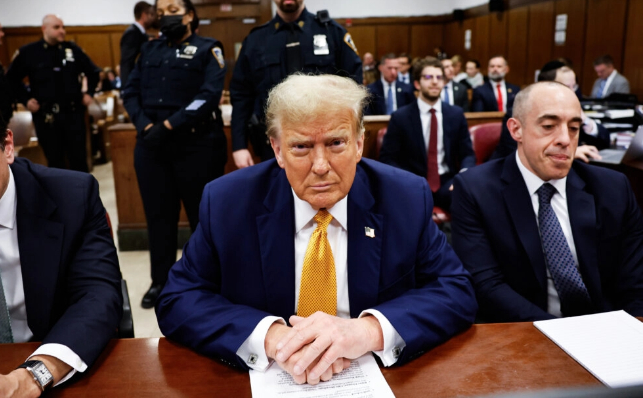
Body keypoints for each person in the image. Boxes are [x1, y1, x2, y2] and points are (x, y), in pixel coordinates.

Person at [156, 74, 476, 385]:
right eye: (301, 147)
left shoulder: (404, 197)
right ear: (278, 150)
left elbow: (455, 289)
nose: (321, 165)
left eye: (336, 143)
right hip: (267, 380)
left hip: (375, 377)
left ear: (360, 143)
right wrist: (272, 337)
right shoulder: (228, 202)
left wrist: (365, 331)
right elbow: (178, 298)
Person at [0, 85, 122, 395]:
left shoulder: (72, 196)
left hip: (49, 369)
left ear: (8, 146)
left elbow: (97, 296)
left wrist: (31, 378)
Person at [451, 81, 643, 322]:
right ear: (516, 130)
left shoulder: (614, 188)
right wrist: (560, 336)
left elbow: (635, 282)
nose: (565, 139)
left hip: (606, 331)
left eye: (574, 128)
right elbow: (487, 285)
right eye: (549, 126)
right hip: (524, 334)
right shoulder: (475, 190)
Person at [123, 0, 227, 309]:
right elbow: (130, 92)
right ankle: (161, 281)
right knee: (158, 217)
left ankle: (206, 280)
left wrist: (168, 125)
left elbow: (208, 97)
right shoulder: (149, 50)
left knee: (202, 218)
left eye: (173, 9)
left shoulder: (209, 49)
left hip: (196, 146)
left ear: (190, 15)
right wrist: (145, 126)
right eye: (161, 10)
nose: (166, 16)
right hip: (152, 146)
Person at [230, 0, 362, 168]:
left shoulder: (332, 33)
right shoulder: (256, 40)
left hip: (326, 141)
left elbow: (354, 89)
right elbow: (241, 96)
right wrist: (239, 146)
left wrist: (356, 134)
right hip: (273, 144)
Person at [6, 14, 101, 172]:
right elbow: (11, 79)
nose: (62, 31)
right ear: (44, 29)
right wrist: (26, 100)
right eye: (57, 27)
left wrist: (89, 93)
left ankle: (82, 195)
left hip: (73, 115)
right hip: (47, 117)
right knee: (55, 164)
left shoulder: (72, 50)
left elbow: (94, 72)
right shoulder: (30, 52)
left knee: (79, 162)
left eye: (63, 27)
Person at [380, 57, 475, 212]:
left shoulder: (455, 114)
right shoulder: (401, 117)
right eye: (428, 77)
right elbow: (388, 158)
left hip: (447, 182)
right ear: (417, 84)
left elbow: (467, 154)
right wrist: (405, 182)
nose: (435, 82)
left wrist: (463, 178)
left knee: (468, 201)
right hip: (413, 182)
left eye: (439, 77)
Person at [491, 61, 609, 162]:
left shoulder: (572, 111)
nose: (572, 93)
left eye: (574, 87)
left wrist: (585, 121)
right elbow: (516, 154)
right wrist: (570, 152)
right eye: (567, 87)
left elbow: (604, 142)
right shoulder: (521, 112)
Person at [120, 1, 155, 88]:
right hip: (134, 84)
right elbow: (127, 62)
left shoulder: (142, 34)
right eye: (151, 15)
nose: (153, 18)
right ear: (144, 15)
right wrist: (126, 88)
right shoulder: (132, 33)